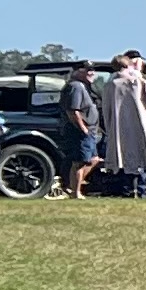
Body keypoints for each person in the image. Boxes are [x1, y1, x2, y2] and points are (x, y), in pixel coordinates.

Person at [98, 51, 146, 196]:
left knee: (124, 157)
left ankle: (131, 190)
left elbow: (106, 108)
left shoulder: (110, 84)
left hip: (120, 127)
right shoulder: (137, 80)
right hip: (140, 123)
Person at [62, 63, 98, 196]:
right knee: (79, 162)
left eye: (93, 70)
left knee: (94, 159)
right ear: (77, 71)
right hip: (81, 131)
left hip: (91, 130)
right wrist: (83, 128)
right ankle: (75, 192)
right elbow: (73, 111)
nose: (91, 73)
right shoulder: (75, 86)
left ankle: (72, 186)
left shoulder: (85, 87)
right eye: (88, 70)